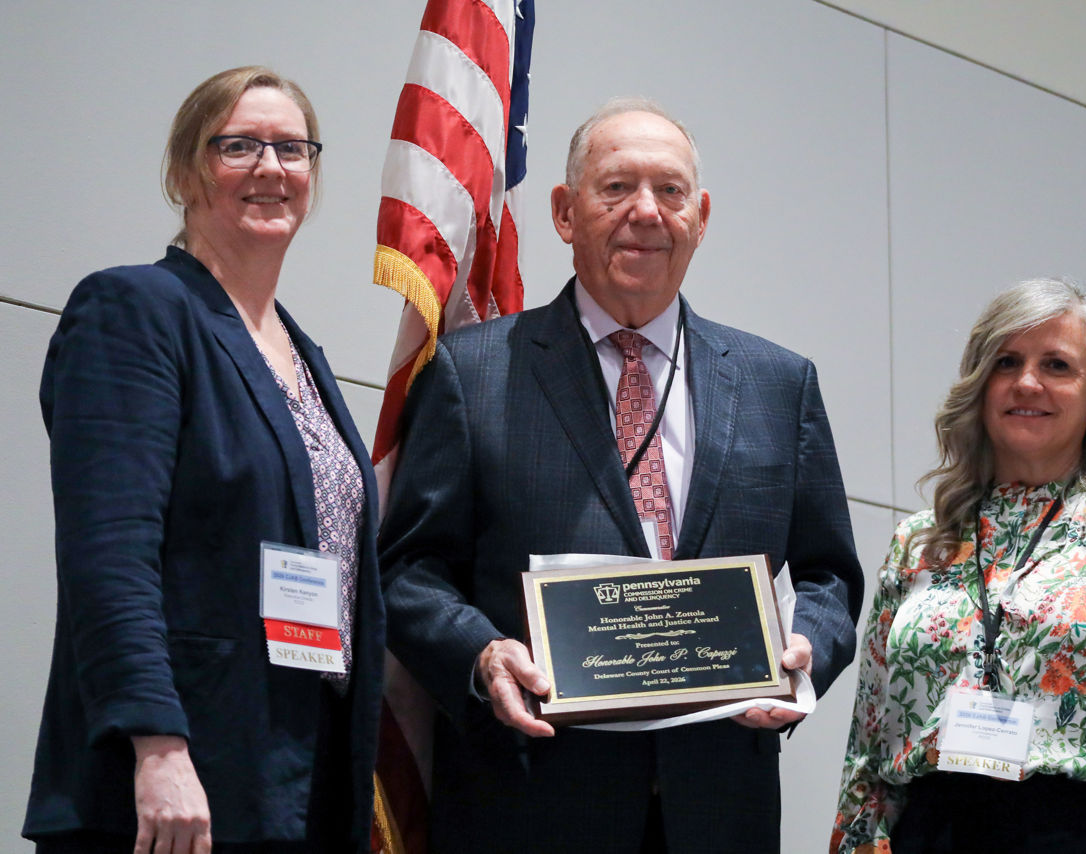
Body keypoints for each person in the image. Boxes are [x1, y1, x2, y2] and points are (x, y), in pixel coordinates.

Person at [378, 97, 864, 854]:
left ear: (701, 216)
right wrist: (481, 653)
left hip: (719, 808)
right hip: (532, 802)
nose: (646, 211)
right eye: (616, 188)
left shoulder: (779, 382)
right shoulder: (472, 373)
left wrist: (807, 651)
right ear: (564, 213)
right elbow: (409, 569)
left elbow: (831, 575)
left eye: (670, 191)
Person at [23, 67, 384, 853]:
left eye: (292, 148)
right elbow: (109, 553)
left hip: (296, 779)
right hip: (175, 785)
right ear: (185, 172)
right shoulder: (135, 310)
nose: (271, 167)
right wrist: (156, 744)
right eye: (239, 145)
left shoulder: (304, 355)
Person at [830, 278, 1086, 853]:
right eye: (1007, 362)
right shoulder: (920, 542)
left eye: (1056, 365)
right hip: (932, 830)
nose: (1027, 382)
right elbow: (871, 736)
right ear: (979, 384)